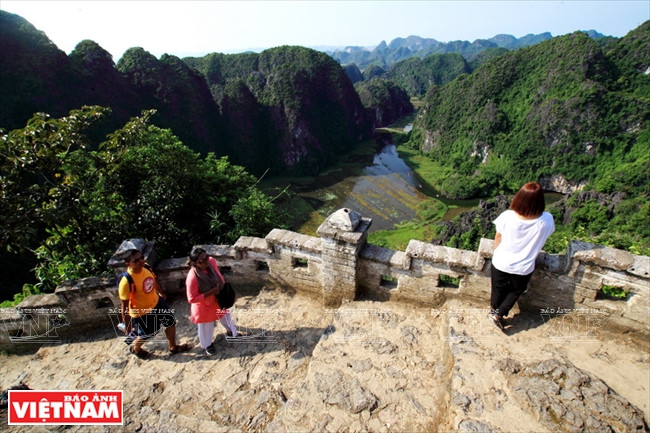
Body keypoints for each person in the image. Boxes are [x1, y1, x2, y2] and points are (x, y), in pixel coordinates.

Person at [489, 182, 555, 331]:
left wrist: (497, 252)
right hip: (523, 267)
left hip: (501, 262)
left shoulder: (507, 216)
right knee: (516, 291)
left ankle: (494, 311)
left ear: (519, 198)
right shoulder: (547, 220)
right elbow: (546, 235)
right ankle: (498, 314)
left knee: (497, 289)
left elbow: (498, 236)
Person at [119, 249, 190, 359]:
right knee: (149, 333)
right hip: (142, 313)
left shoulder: (146, 267)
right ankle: (135, 348)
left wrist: (160, 292)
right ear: (128, 263)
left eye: (141, 257)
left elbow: (152, 281)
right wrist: (128, 326)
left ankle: (173, 347)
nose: (141, 261)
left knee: (170, 323)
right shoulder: (126, 281)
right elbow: (124, 306)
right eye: (136, 260)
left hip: (157, 302)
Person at [186, 247, 238, 355]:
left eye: (206, 258)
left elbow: (217, 274)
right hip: (204, 305)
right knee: (206, 326)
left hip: (218, 299)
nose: (206, 261)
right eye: (202, 260)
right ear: (195, 263)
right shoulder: (192, 278)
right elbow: (191, 298)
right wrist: (209, 292)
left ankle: (231, 331)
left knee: (225, 315)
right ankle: (207, 345)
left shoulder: (211, 262)